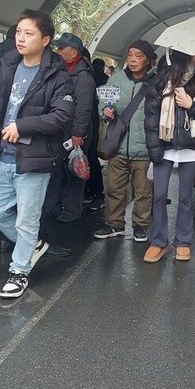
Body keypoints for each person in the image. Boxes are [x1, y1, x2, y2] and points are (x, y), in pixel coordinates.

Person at [0, 10, 73, 299]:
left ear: (45, 40)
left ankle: (19, 271)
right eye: (19, 32)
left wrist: (21, 126)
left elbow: (61, 116)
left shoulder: (58, 75)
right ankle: (33, 244)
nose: (20, 38)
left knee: (27, 219)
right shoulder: (9, 64)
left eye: (29, 34)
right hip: (5, 155)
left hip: (35, 158)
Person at [143, 51, 195, 262]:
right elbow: (151, 117)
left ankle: (182, 242)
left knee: (185, 198)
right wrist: (153, 148)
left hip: (191, 146)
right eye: (192, 52)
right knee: (159, 195)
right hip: (164, 145)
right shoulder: (162, 78)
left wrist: (190, 105)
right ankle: (159, 241)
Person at [93, 40, 155, 242]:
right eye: (130, 55)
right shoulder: (117, 79)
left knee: (143, 191)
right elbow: (103, 102)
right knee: (114, 189)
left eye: (139, 56)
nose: (133, 60)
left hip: (144, 148)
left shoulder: (156, 83)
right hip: (118, 146)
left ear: (148, 60)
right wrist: (105, 110)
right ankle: (115, 224)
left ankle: (140, 225)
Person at [51, 32, 96, 223]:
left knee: (74, 171)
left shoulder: (83, 77)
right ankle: (61, 206)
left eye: (62, 48)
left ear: (74, 52)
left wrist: (78, 133)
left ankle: (72, 210)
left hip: (75, 131)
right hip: (61, 129)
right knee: (62, 169)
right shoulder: (63, 71)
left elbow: (84, 107)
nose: (58, 51)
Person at [85, 58, 109, 211]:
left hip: (90, 122)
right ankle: (96, 193)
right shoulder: (105, 79)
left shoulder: (87, 78)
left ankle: (90, 192)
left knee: (88, 157)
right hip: (95, 121)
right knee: (92, 158)